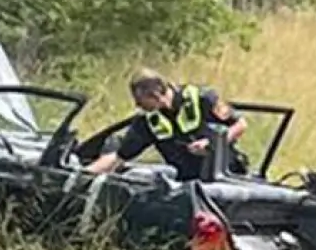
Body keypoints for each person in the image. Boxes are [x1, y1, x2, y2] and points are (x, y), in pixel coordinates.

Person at [84, 69, 250, 181]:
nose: (137, 105)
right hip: (188, 183)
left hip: (227, 176)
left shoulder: (202, 97)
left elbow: (240, 124)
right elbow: (120, 156)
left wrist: (211, 143)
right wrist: (84, 174)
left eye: (140, 100)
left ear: (156, 95)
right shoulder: (148, 122)